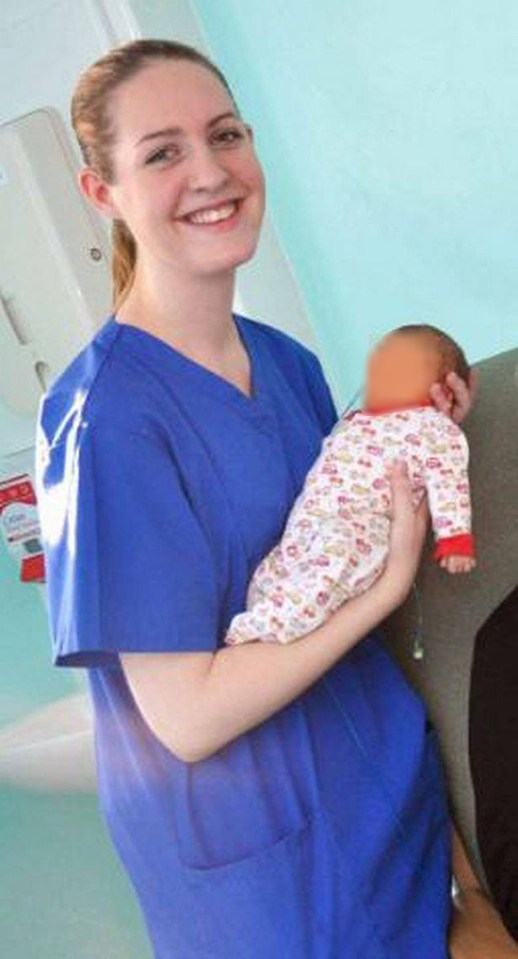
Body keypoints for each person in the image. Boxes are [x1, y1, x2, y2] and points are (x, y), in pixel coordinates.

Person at [34, 38, 477, 959]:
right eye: (162, 152)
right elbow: (187, 718)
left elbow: (330, 545)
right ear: (101, 194)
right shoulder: (103, 422)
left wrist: (415, 423)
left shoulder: (289, 365)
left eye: (225, 135)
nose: (211, 171)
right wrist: (386, 590)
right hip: (267, 891)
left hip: (394, 819)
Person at [225, 323, 476, 646]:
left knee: (333, 563)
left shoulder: (435, 429)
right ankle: (265, 605)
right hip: (312, 516)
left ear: (442, 388)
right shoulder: (359, 420)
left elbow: (449, 479)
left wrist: (455, 538)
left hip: (360, 524)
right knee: (281, 564)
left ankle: (271, 626)